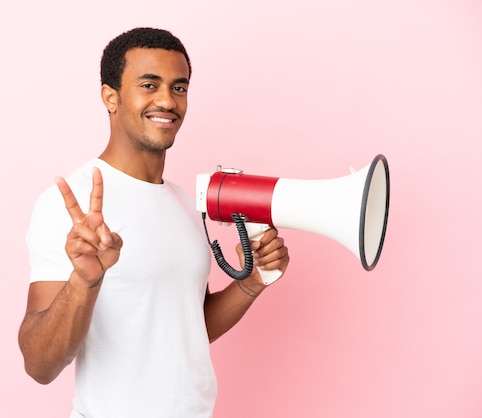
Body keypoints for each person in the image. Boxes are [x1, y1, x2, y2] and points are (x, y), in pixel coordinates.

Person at [18, 27, 290, 418]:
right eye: (150, 84)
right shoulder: (71, 203)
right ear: (110, 97)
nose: (167, 100)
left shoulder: (185, 204)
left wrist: (252, 281)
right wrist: (85, 280)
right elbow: (38, 364)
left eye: (179, 88)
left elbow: (184, 331)